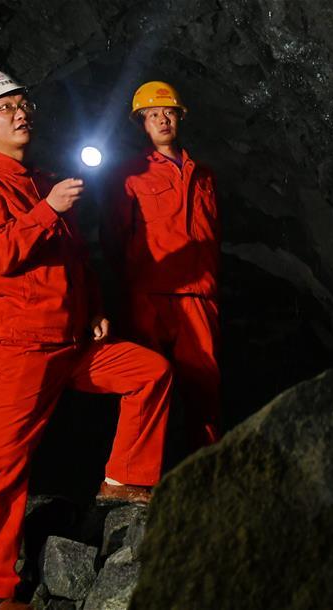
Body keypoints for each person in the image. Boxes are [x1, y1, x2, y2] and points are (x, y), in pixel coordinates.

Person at [0, 70, 173, 610]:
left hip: (72, 342)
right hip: (21, 345)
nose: (20, 113)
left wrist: (95, 308)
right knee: (0, 464)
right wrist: (47, 210)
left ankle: (124, 479)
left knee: (150, 372)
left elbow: (76, 258)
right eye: (5, 108)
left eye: (22, 103)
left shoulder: (42, 179)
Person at [102, 81, 221, 453]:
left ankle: (206, 463)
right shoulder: (130, 175)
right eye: (152, 114)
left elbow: (214, 234)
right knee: (147, 388)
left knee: (205, 388)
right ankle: (141, 472)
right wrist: (130, 284)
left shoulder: (204, 175)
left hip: (199, 296)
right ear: (142, 123)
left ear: (180, 116)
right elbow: (114, 235)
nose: (161, 119)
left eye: (168, 112)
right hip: (149, 296)